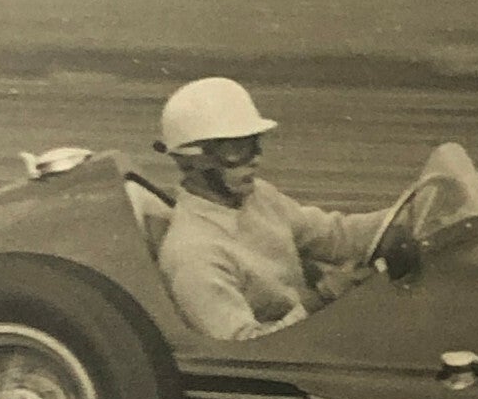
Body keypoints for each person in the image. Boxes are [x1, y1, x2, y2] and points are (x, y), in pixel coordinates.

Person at [154, 77, 389, 341]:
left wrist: (408, 215)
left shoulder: (259, 196)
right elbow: (244, 350)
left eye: (255, 144)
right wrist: (324, 298)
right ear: (192, 162)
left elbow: (335, 236)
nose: (256, 159)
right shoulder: (194, 254)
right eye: (236, 149)